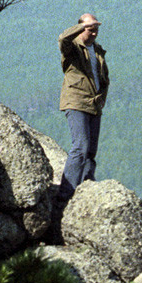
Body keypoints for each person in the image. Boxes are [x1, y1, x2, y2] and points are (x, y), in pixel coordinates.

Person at [56, 13, 109, 208]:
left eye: (96, 29)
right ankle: (66, 193)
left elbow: (103, 78)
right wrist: (81, 26)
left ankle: (87, 187)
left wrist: (102, 97)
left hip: (94, 104)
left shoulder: (97, 51)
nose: (94, 32)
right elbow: (62, 38)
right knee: (80, 146)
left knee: (91, 151)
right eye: (90, 28)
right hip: (76, 102)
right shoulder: (72, 48)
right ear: (80, 28)